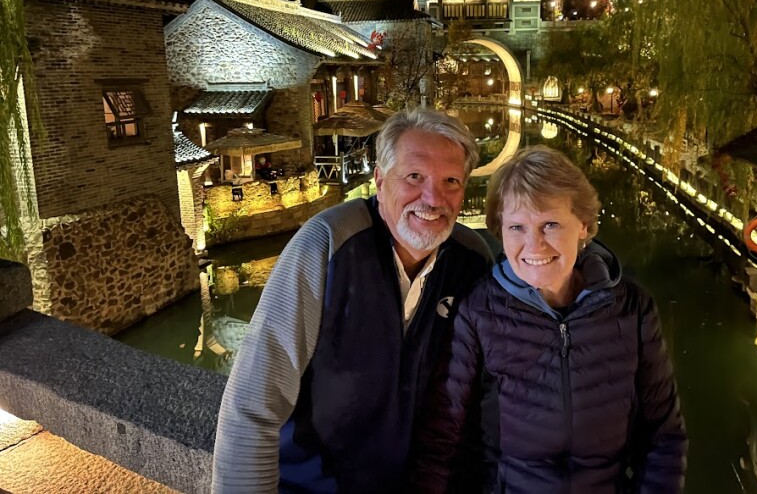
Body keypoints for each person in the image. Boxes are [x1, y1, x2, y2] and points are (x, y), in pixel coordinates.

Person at [212, 109, 493, 493]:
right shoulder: (328, 244)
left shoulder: (472, 260)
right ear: (379, 179)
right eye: (414, 177)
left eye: (451, 181)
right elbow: (253, 405)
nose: (433, 198)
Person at [410, 146, 688, 493]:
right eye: (516, 227)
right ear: (500, 231)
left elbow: (664, 436)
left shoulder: (632, 309)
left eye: (551, 224)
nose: (534, 245)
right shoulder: (480, 310)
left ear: (583, 225)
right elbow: (442, 435)